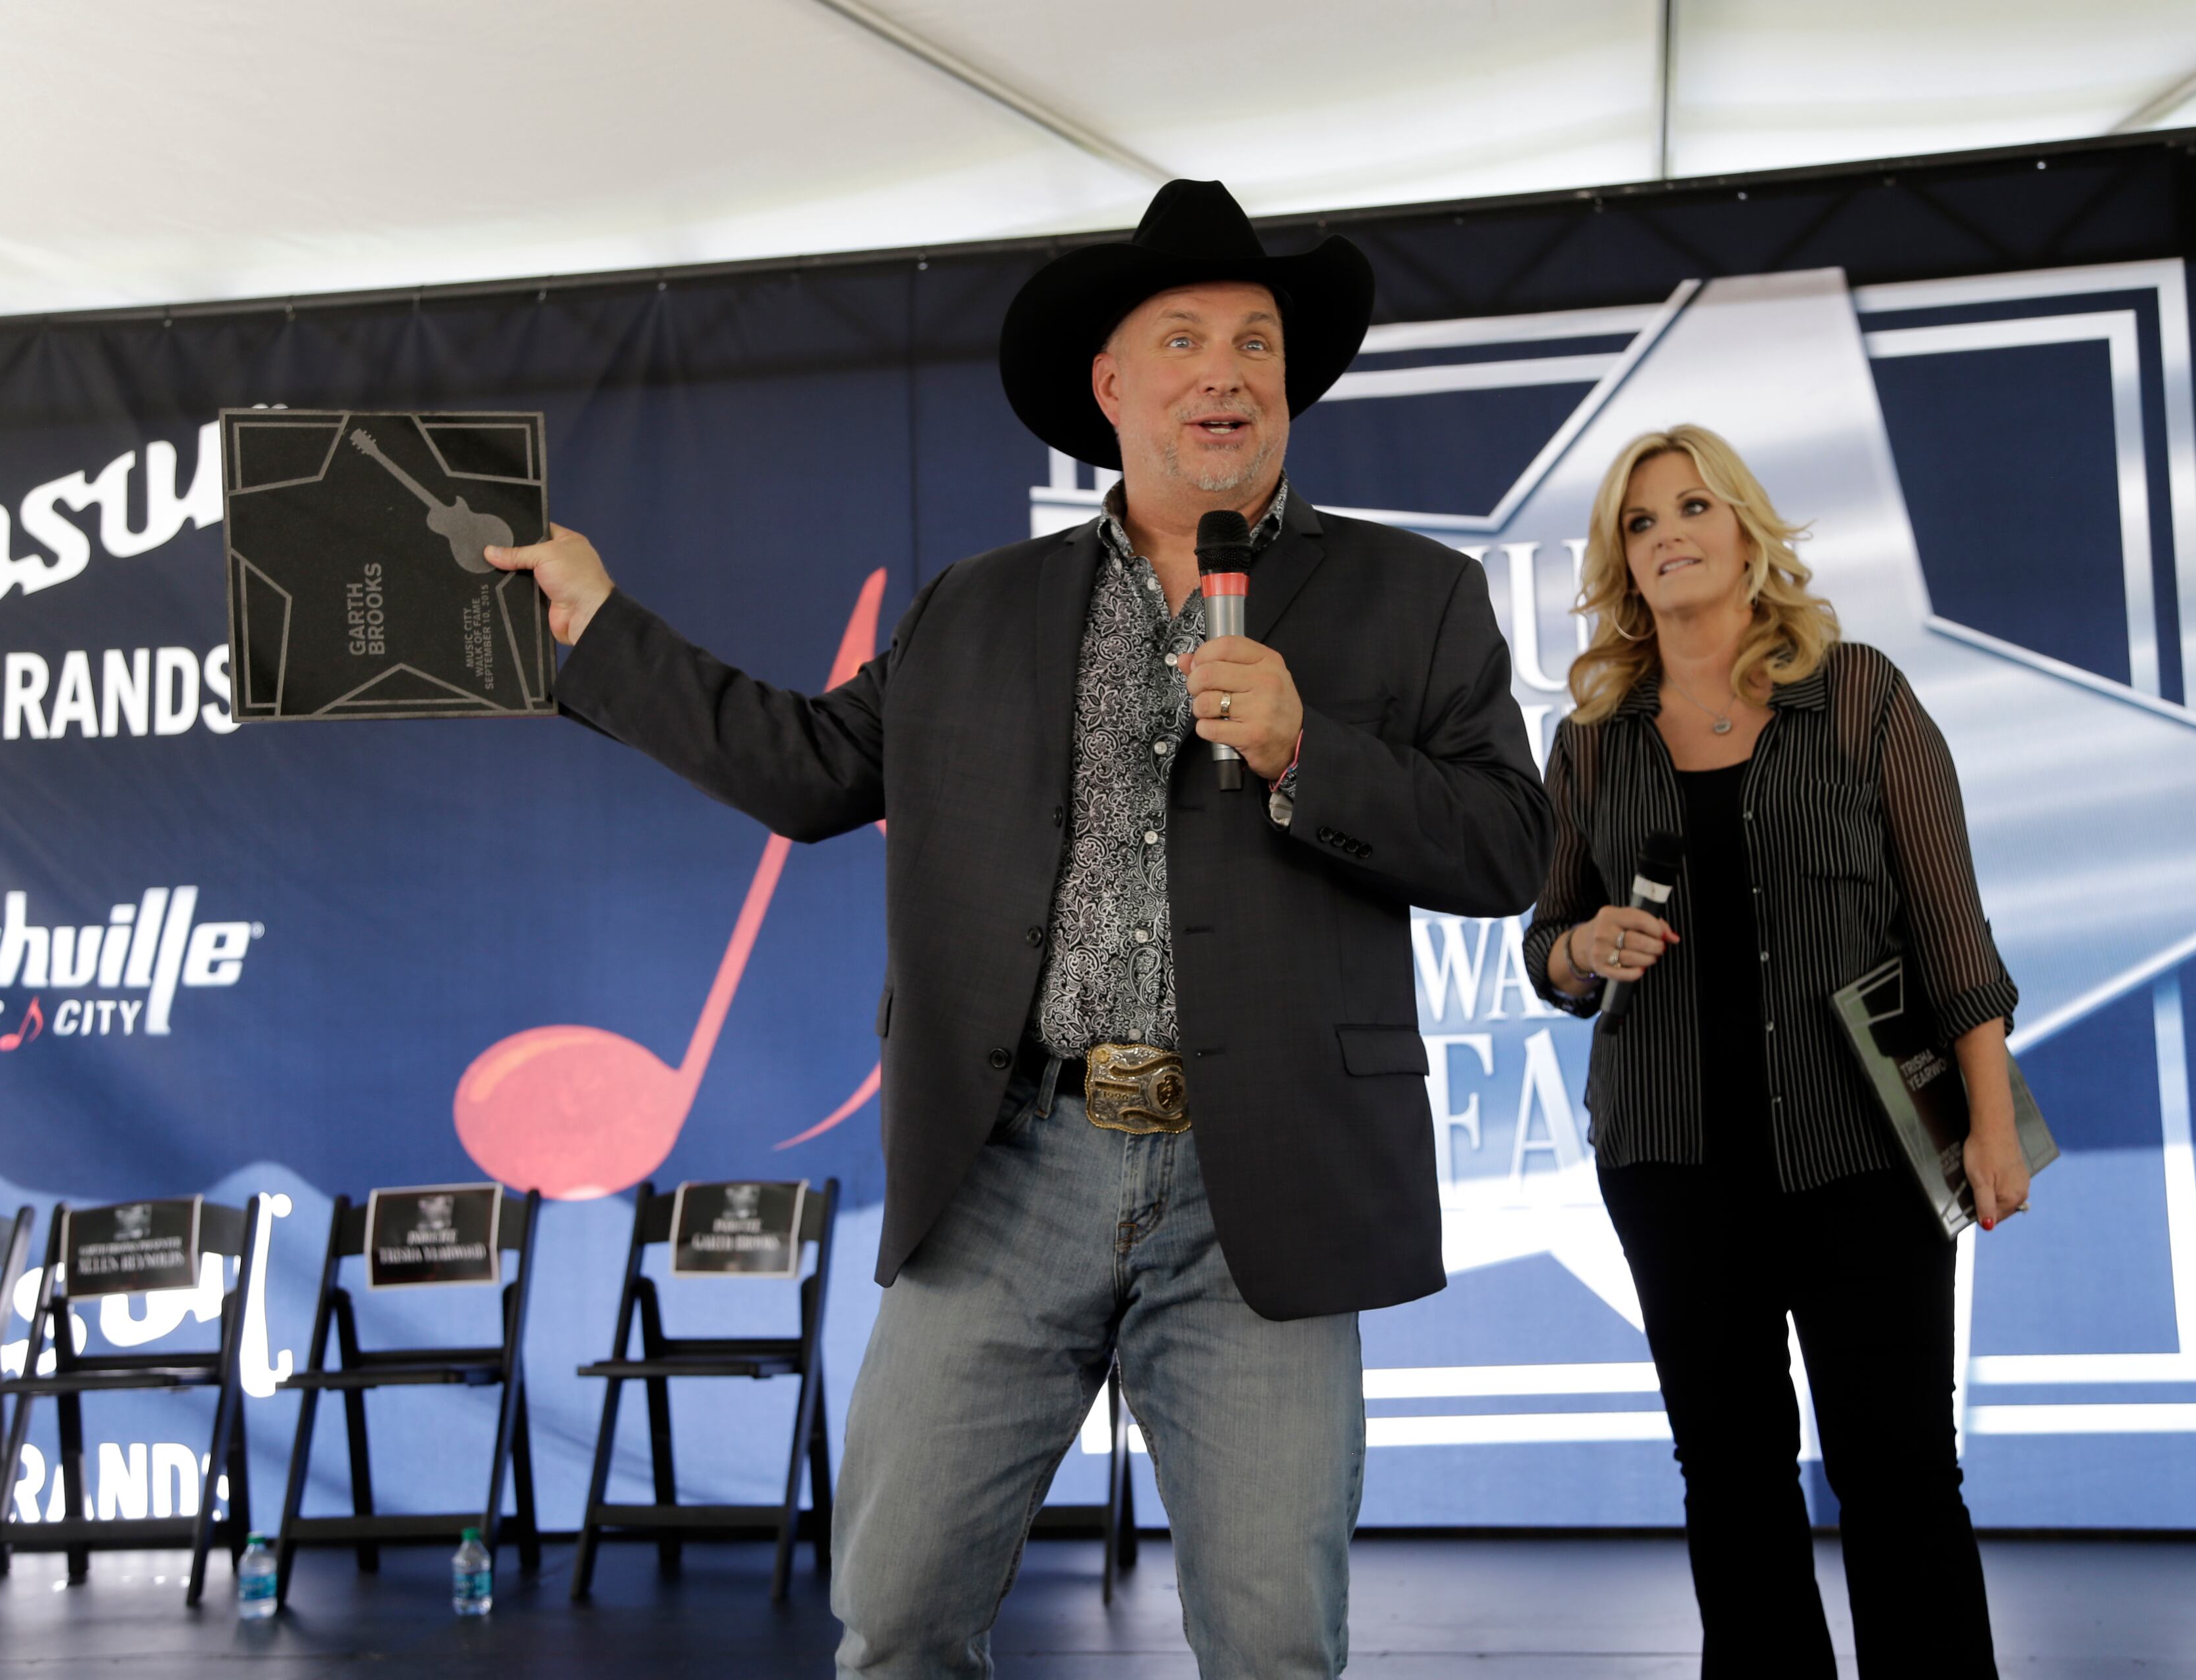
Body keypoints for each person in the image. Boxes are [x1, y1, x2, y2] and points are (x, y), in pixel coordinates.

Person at [490, 179, 1549, 1679]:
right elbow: (805, 769)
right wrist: (602, 623)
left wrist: (1313, 747)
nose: (1227, 372)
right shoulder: (975, 605)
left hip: (1264, 1182)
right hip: (1006, 1165)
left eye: (1256, 342)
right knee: (898, 1616)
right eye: (1183, 340)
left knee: (1275, 1646)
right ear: (1110, 386)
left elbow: (1511, 843)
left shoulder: (1414, 595)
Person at [1522, 425, 2027, 1678]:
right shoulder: (1591, 740)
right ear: (1621, 563)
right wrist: (1584, 946)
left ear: (1748, 533)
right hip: (1671, 1162)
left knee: (1898, 1466)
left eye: (1694, 507)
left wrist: (1993, 1124)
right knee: (1731, 1476)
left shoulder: (1858, 695)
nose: (1669, 535)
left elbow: (1951, 930)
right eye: (1641, 522)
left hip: (1864, 1153)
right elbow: (1545, 950)